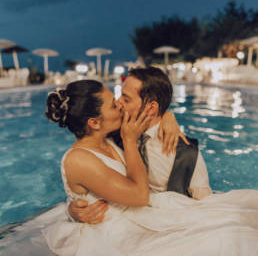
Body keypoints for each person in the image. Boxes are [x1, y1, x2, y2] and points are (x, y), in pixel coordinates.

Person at [42, 78, 258, 256]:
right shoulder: (79, 159)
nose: (119, 104)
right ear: (94, 123)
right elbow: (139, 196)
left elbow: (150, 111)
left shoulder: (106, 137)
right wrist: (128, 140)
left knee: (234, 218)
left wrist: (167, 116)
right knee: (225, 240)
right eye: (113, 104)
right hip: (116, 232)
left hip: (141, 214)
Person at [69, 67, 212, 224]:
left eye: (126, 99)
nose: (118, 103)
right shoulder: (112, 135)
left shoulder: (187, 153)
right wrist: (72, 208)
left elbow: (205, 208)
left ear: (151, 107)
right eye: (119, 96)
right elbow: (84, 176)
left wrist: (167, 116)